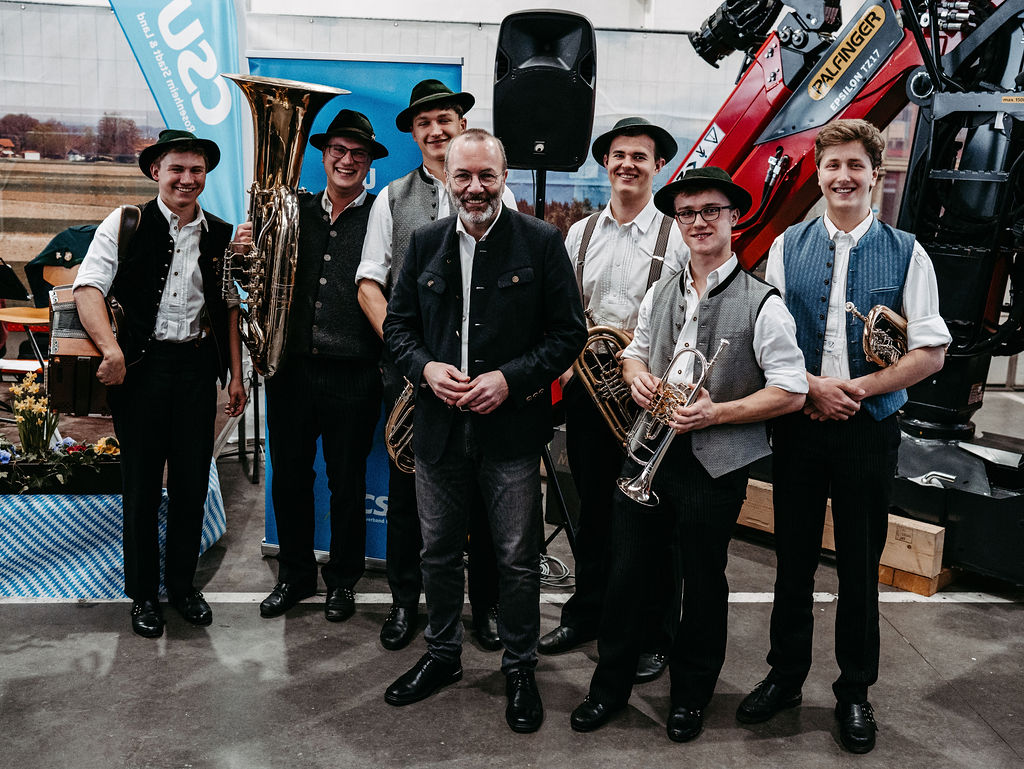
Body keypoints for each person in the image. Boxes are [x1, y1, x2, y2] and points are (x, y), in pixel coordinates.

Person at [569, 166, 807, 742]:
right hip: (649, 453)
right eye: (687, 213)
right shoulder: (662, 289)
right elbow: (635, 352)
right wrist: (636, 377)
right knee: (626, 576)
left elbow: (791, 391)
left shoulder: (764, 303)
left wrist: (717, 413)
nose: (699, 222)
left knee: (702, 583)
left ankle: (690, 695)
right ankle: (608, 688)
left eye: (710, 211)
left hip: (713, 466)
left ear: (733, 217)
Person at [737, 118, 950, 754]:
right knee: (793, 560)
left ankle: (855, 691)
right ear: (819, 173)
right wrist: (811, 388)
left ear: (874, 174)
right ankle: (784, 676)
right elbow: (768, 341)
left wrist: (855, 389)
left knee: (859, 566)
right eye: (832, 165)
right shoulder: (787, 246)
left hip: (869, 429)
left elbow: (931, 351)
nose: (843, 177)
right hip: (799, 426)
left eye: (856, 165)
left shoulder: (908, 251)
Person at [381, 129, 587, 733]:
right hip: (439, 432)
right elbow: (398, 328)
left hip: (511, 435)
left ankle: (520, 668)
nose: (475, 188)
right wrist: (425, 369)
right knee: (438, 553)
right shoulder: (424, 243)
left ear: (504, 177)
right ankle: (443, 655)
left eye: (486, 176)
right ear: (447, 178)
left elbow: (568, 334)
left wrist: (509, 380)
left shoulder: (541, 242)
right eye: (463, 176)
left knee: (517, 560)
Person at [357, 79, 513, 651]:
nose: (435, 130)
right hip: (414, 379)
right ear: (415, 134)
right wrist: (414, 360)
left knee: (487, 500)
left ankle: (487, 606)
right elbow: (369, 286)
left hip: (484, 378)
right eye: (424, 123)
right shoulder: (390, 198)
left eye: (444, 118)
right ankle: (405, 603)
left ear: (460, 125)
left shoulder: (499, 196)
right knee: (407, 496)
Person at [73, 129, 247, 638]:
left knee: (192, 485)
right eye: (177, 169)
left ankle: (183, 588)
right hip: (140, 371)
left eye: (196, 170)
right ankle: (144, 595)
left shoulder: (221, 233)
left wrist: (237, 375)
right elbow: (87, 289)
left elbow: (229, 307)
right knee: (142, 487)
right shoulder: (125, 222)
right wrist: (112, 351)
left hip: (196, 370)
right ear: (156, 172)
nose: (187, 179)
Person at [539, 117, 688, 686]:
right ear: (606, 163)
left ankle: (654, 634)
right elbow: (565, 315)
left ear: (658, 166)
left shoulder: (677, 236)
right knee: (593, 512)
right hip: (590, 395)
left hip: (652, 397)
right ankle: (588, 613)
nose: (628, 164)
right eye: (619, 155)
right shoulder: (578, 234)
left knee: (654, 518)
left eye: (640, 156)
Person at [257, 109, 389, 623]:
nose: (347, 160)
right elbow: (258, 275)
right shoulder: (292, 211)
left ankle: (342, 582)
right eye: (338, 150)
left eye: (358, 153)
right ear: (324, 155)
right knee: (289, 477)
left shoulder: (382, 216)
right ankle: (293, 576)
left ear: (369, 162)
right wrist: (248, 245)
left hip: (355, 372)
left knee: (347, 482)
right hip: (290, 369)